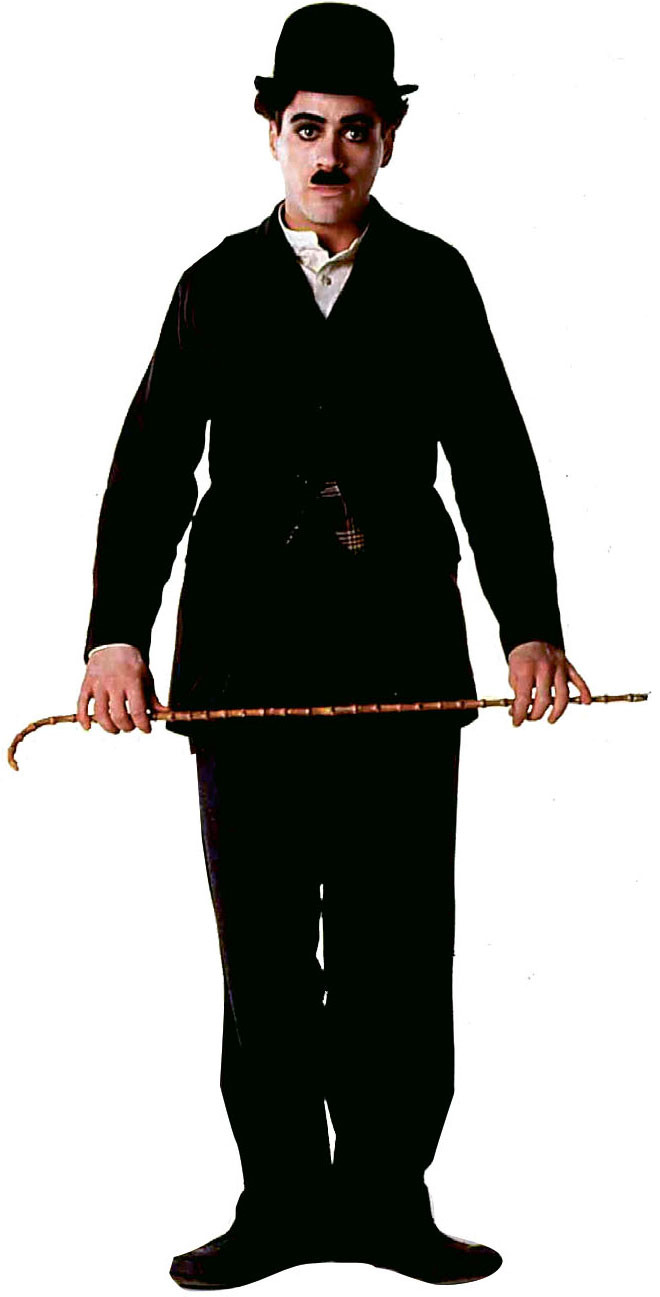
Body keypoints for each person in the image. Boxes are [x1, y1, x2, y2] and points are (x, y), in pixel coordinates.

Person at [76, 3, 591, 1288]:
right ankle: (278, 1206)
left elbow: (495, 458)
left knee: (396, 951)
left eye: (357, 130)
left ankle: (387, 1203)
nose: (330, 153)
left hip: (399, 665)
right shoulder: (213, 285)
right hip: (243, 673)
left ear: (389, 142)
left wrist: (530, 626)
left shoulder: (437, 279)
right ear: (271, 133)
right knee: (262, 956)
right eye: (308, 128)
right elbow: (152, 467)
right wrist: (115, 635)